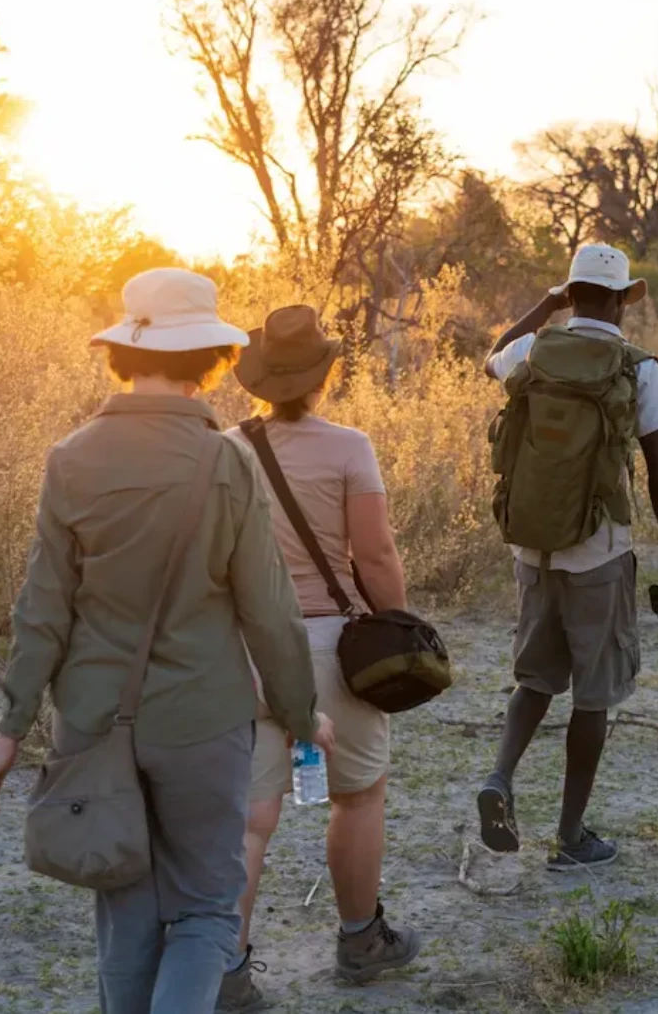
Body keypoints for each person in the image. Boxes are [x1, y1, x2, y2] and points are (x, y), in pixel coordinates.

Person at [0, 268, 332, 1014]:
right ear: (212, 358)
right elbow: (269, 608)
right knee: (205, 907)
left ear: (125, 353)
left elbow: (42, 607)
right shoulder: (225, 460)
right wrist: (301, 713)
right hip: (204, 718)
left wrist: (10, 729)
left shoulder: (71, 457)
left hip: (92, 721)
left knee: (125, 906)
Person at [220, 305, 421, 1008]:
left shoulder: (226, 448)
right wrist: (398, 624)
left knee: (248, 815)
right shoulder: (348, 447)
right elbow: (373, 553)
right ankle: (361, 939)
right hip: (332, 644)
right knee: (358, 793)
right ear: (323, 375)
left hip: (244, 647)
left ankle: (227, 971)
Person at [476, 243, 658, 870]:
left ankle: (499, 777)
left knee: (534, 677)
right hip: (599, 550)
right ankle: (571, 837)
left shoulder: (534, 349)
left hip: (533, 543)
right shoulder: (637, 368)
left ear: (571, 294)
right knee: (592, 695)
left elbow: (491, 356)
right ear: (625, 300)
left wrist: (542, 307)